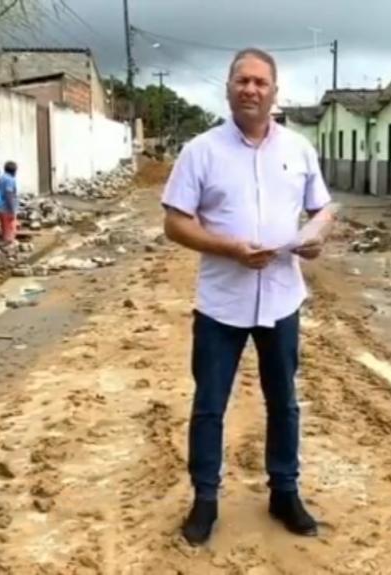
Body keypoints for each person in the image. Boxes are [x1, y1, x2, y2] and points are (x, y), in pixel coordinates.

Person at [161, 48, 332, 546]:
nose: (252, 90)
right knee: (210, 404)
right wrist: (228, 248)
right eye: (243, 81)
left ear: (275, 92)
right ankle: (205, 500)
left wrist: (316, 235)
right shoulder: (201, 151)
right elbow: (174, 222)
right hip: (221, 305)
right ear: (229, 88)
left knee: (285, 402)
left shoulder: (299, 149)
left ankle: (285, 492)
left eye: (261, 82)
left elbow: (322, 208)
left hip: (281, 299)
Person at [0, 161, 19, 245]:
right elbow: (9, 194)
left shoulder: (1, 178)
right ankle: (9, 245)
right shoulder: (10, 180)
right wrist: (12, 209)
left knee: (4, 229)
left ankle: (5, 242)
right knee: (10, 230)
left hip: (0, 207)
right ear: (14, 171)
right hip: (7, 209)